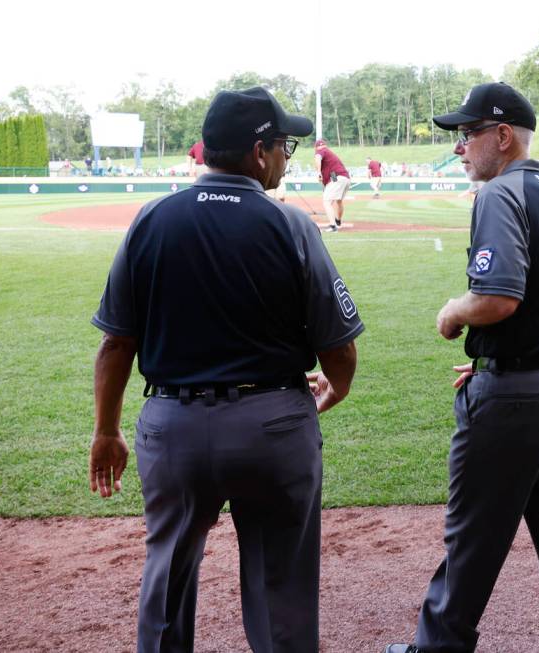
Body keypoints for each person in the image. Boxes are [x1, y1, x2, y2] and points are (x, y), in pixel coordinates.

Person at [88, 85, 364, 653]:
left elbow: (116, 344)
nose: (288, 155)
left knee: (166, 579)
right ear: (258, 152)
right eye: (284, 144)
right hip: (274, 427)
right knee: (281, 591)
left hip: (173, 427)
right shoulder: (290, 225)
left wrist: (106, 430)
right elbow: (339, 348)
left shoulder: (152, 219)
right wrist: (334, 391)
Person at [386, 82, 539, 653]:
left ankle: (433, 649)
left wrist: (456, 313)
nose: (461, 148)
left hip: (518, 402)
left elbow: (499, 297)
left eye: (468, 135)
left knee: (473, 540)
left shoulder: (499, 195)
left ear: (503, 136)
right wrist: (491, 359)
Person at [314, 139, 350, 232]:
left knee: (327, 201)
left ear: (316, 147)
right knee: (338, 201)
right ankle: (338, 221)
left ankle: (333, 226)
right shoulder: (329, 153)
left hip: (337, 177)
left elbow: (318, 157)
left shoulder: (320, 151)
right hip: (344, 177)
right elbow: (331, 175)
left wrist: (318, 172)